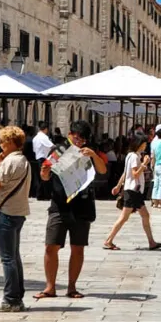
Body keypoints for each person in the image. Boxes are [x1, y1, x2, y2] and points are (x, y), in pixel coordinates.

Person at [36, 122, 98, 300]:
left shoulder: (87, 153)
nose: (79, 141)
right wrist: (44, 173)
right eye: (76, 137)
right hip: (59, 204)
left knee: (77, 248)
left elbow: (101, 170)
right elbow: (45, 177)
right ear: (70, 134)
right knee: (51, 246)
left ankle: (72, 287)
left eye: (82, 139)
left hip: (82, 206)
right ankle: (50, 287)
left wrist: (93, 155)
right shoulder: (58, 150)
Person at [0, 125, 34, 312]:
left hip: (5, 213)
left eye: (3, 141)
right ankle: (17, 296)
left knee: (7, 258)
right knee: (14, 256)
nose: (1, 145)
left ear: (12, 142)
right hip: (18, 212)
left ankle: (10, 298)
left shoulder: (10, 162)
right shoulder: (22, 160)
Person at [104, 142, 161, 250]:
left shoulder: (131, 156)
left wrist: (118, 186)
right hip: (133, 191)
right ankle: (109, 240)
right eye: (144, 144)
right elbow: (135, 174)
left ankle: (151, 242)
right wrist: (144, 164)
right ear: (139, 144)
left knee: (145, 215)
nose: (145, 146)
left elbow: (125, 173)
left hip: (134, 191)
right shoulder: (134, 157)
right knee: (124, 217)